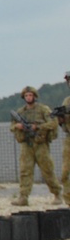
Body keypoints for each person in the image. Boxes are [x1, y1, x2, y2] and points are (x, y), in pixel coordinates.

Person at [9, 85, 60, 206]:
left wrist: (37, 127)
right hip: (27, 144)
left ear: (35, 96)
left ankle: (57, 194)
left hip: (40, 144)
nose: (28, 97)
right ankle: (23, 197)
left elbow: (53, 123)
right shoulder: (21, 112)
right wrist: (17, 126)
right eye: (26, 95)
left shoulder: (43, 109)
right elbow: (12, 126)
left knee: (47, 170)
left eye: (30, 95)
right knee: (25, 171)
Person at [57, 72, 70, 206]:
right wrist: (60, 119)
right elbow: (63, 124)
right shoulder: (67, 101)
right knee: (66, 172)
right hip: (69, 139)